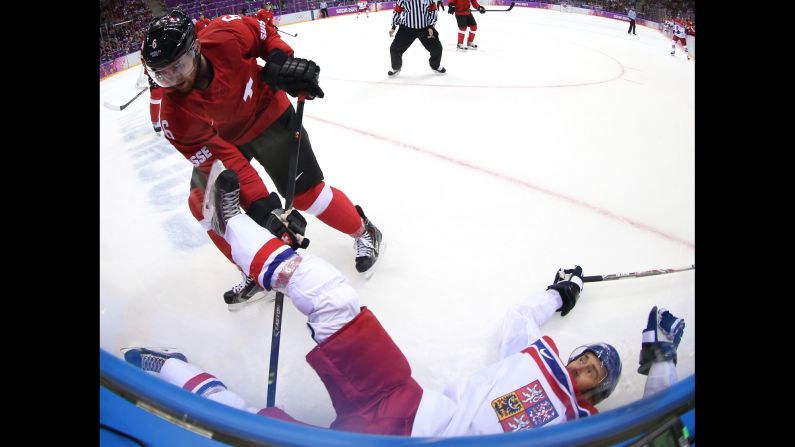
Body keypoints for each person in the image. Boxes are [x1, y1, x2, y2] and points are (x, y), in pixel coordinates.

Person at [122, 166, 686, 435]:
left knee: (256, 431)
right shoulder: (539, 357)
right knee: (336, 299)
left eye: (595, 372)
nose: (585, 365)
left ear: (602, 394)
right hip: (408, 403)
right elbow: (519, 317)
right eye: (588, 356)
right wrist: (558, 294)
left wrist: (660, 375)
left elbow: (657, 434)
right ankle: (230, 222)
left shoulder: (579, 428)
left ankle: (171, 368)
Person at [141, 11, 383, 310]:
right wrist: (264, 210)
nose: (173, 79)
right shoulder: (174, 116)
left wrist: (281, 62)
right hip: (227, 142)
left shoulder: (225, 35)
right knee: (203, 202)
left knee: (307, 195)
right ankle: (254, 266)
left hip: (269, 115)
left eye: (179, 66)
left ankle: (364, 230)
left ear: (196, 49)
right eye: (162, 73)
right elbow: (225, 159)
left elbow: (264, 32)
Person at [388, 0, 445, 77]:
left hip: (426, 28)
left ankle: (435, 66)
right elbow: (397, 11)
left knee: (437, 48)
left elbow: (434, 11)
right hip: (407, 28)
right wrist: (393, 26)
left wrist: (431, 26)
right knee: (394, 49)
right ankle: (396, 67)